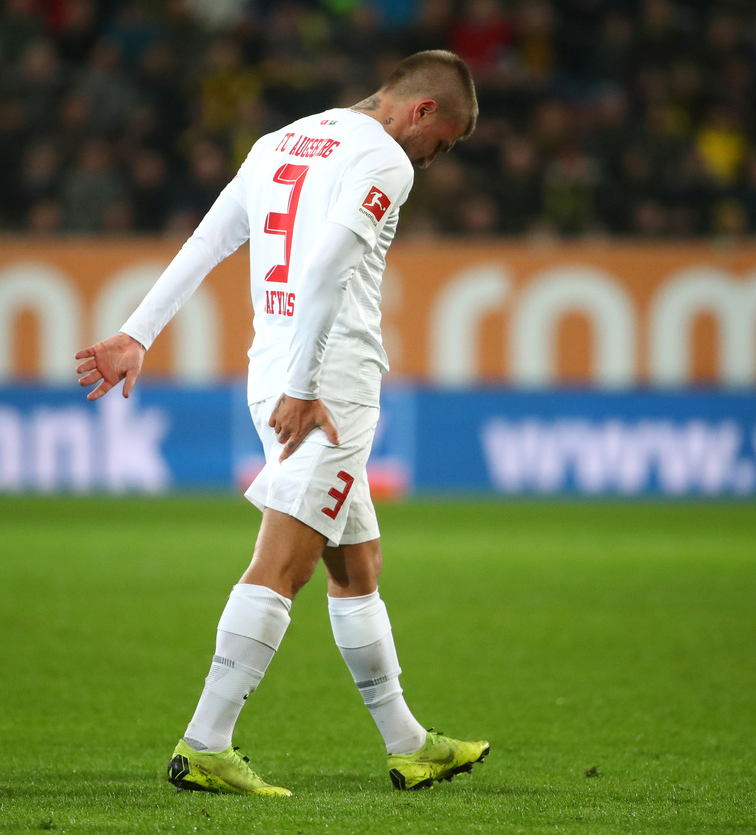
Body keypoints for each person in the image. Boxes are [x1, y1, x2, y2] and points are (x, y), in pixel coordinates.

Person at [74, 50, 489, 796]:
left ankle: (409, 744)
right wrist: (305, 387)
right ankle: (205, 743)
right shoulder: (384, 160)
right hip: (326, 385)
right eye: (444, 141)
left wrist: (137, 332)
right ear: (422, 110)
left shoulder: (282, 140)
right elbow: (326, 267)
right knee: (284, 564)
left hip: (270, 367)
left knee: (357, 564)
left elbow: (208, 240)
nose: (435, 158)